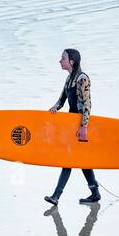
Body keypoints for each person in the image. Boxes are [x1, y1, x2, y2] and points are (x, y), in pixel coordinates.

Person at [44, 48, 101, 207]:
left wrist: (84, 126)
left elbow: (87, 104)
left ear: (71, 61)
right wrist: (54, 109)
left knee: (70, 159)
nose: (60, 61)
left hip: (80, 124)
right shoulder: (69, 79)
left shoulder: (82, 78)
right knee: (81, 160)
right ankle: (95, 193)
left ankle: (56, 196)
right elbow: (61, 100)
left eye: (63, 58)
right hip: (70, 124)